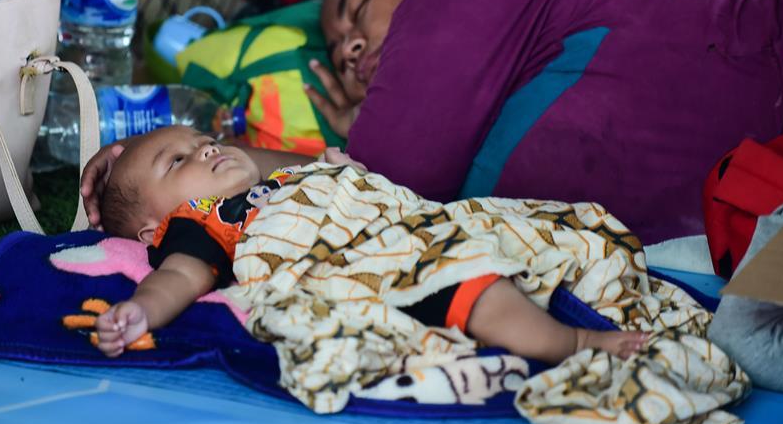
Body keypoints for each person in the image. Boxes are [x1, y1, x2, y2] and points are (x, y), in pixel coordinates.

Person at [302, 0, 783, 245]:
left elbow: (377, 191)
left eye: (359, 7)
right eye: (337, 48)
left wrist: (357, 148)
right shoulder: (471, 104)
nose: (348, 49)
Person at [92, 125, 647, 363]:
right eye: (179, 161)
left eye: (203, 141)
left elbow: (359, 197)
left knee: (530, 232)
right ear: (152, 231)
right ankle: (572, 344)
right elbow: (180, 276)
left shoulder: (281, 181)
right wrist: (141, 310)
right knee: (471, 288)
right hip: (374, 264)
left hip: (415, 226)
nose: (206, 151)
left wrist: (341, 176)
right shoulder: (202, 219)